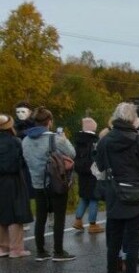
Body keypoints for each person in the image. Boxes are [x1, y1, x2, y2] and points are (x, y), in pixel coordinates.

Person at [95, 102, 139, 273]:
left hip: (114, 194)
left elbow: (99, 166)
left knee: (113, 241)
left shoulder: (106, 140)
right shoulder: (136, 140)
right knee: (133, 242)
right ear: (132, 119)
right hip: (135, 195)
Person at [21, 107, 76, 261]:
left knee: (41, 217)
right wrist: (64, 139)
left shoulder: (25, 140)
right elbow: (72, 153)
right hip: (55, 182)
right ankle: (58, 252)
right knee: (59, 217)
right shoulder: (55, 138)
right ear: (49, 122)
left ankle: (41, 251)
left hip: (37, 183)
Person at [0, 114, 33, 258]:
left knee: (1, 212)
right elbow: (21, 162)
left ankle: (2, 247)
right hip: (13, 179)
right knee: (16, 213)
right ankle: (16, 249)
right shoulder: (15, 141)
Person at [72, 117, 104, 234]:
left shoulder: (79, 140)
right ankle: (92, 224)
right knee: (94, 198)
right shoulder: (94, 141)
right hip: (92, 173)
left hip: (81, 172)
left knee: (84, 197)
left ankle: (78, 220)